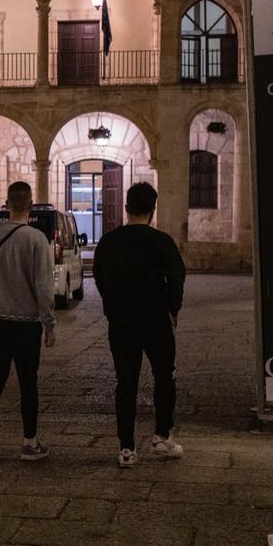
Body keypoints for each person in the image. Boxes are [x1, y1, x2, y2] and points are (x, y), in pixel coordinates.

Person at [92, 182, 186, 468]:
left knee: (126, 381)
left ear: (126, 207)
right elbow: (177, 277)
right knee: (164, 376)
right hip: (155, 318)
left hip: (121, 321)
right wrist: (173, 307)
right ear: (152, 209)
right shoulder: (162, 242)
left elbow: (99, 277)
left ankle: (126, 448)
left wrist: (111, 305)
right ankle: (162, 437)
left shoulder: (109, 242)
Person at [0, 181, 57, 480]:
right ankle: (29, 443)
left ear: (7, 204)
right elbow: (45, 287)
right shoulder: (37, 239)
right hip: (25, 324)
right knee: (27, 383)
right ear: (30, 205)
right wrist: (49, 323)